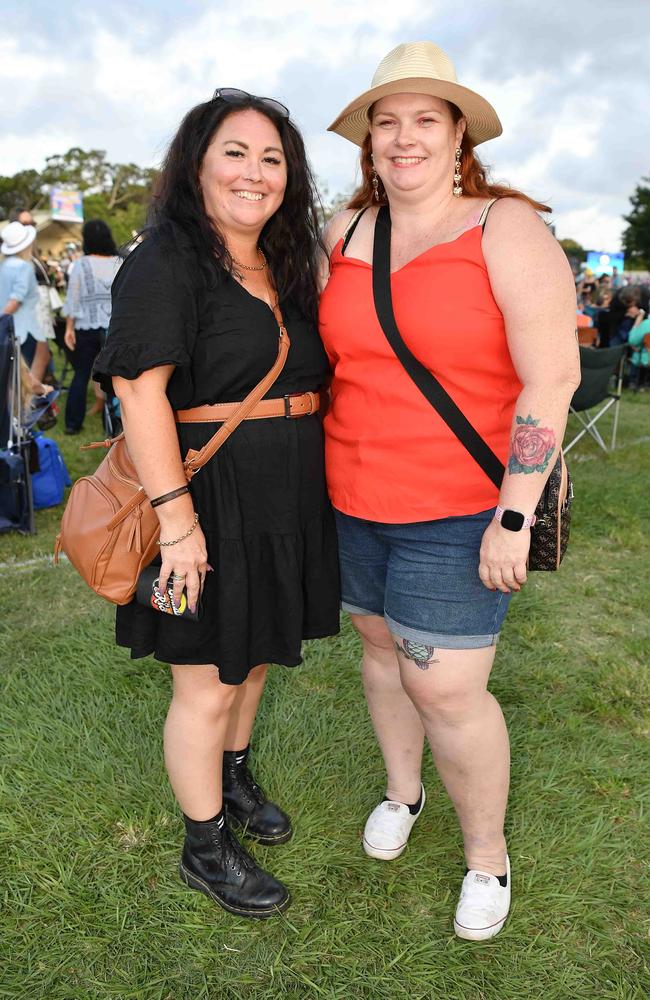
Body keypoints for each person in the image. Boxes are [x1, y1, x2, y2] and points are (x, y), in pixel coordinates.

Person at [320, 41, 579, 941]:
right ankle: (403, 793)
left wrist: (514, 512)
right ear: (367, 142)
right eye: (385, 122)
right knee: (382, 656)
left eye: (424, 119)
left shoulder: (504, 227)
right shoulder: (342, 234)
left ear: (458, 131)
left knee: (449, 691)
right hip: (350, 497)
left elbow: (551, 380)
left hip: (463, 505)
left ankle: (486, 857)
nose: (403, 138)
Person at [93, 89, 339, 919]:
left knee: (258, 650)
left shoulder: (288, 261)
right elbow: (140, 390)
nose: (255, 172)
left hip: (286, 494)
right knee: (203, 682)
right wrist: (177, 523)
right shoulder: (168, 258)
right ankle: (205, 848)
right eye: (235, 152)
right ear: (196, 164)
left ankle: (232, 779)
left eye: (273, 158)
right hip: (203, 498)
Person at [62, 220, 122, 434]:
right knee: (116, 377)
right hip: (115, 328)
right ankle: (116, 424)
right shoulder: (120, 262)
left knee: (81, 374)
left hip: (86, 326)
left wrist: (69, 327)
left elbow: (73, 297)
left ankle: (72, 424)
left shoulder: (82, 264)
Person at [0, 221, 50, 387]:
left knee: (10, 378)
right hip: (23, 330)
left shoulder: (3, 266)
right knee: (21, 383)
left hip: (8, 331)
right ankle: (23, 411)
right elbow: (15, 301)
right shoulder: (24, 267)